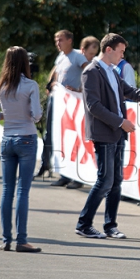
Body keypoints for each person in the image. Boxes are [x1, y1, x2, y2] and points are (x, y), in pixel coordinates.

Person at [75, 33, 140, 239]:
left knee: (116, 181)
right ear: (109, 50)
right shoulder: (91, 71)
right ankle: (84, 224)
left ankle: (110, 226)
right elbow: (93, 106)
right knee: (105, 180)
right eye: (120, 51)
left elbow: (130, 92)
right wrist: (121, 122)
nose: (123, 55)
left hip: (117, 133)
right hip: (105, 133)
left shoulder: (112, 70)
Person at [0, 47, 43, 253]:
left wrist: (9, 116)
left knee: (7, 190)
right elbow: (36, 115)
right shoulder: (30, 85)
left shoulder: (0, 85)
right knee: (23, 191)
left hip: (7, 138)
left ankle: (6, 239)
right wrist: (25, 115)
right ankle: (22, 239)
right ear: (24, 63)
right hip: (27, 138)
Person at [44, 31, 90, 188]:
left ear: (70, 40)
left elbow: (89, 71)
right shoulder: (61, 57)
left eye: (61, 40)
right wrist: (51, 84)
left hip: (73, 105)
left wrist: (80, 89)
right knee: (57, 136)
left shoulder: (77, 56)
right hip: (58, 102)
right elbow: (56, 71)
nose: (58, 43)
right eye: (56, 40)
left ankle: (77, 177)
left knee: (73, 138)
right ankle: (64, 174)